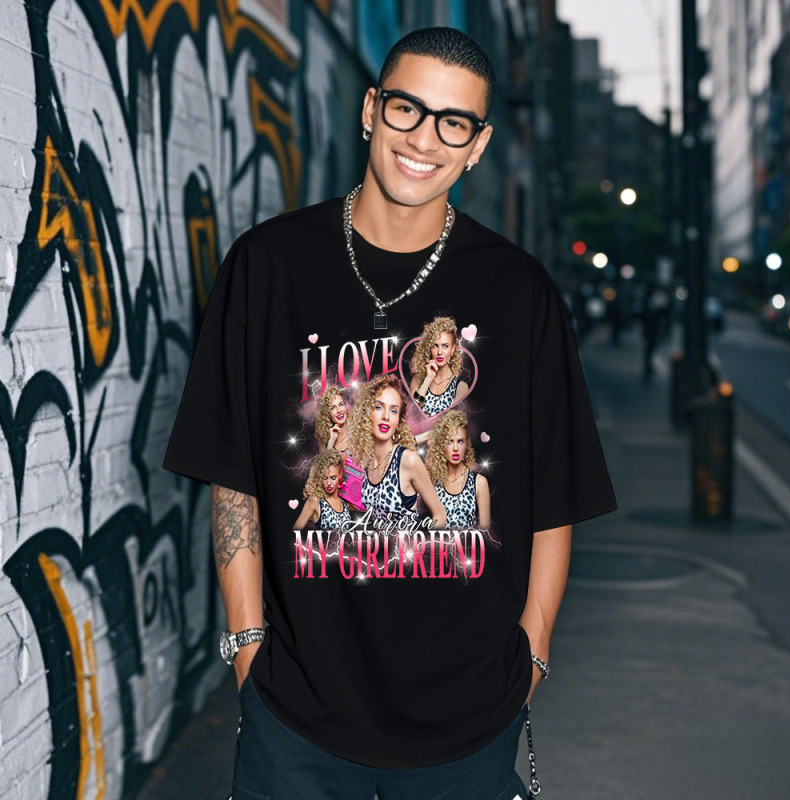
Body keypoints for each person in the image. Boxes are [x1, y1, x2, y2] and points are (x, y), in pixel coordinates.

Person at [163, 26, 616, 799]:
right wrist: (247, 646)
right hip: (295, 715)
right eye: (408, 109)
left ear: (478, 145)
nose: (425, 139)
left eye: (454, 122)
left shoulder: (519, 291)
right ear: (372, 109)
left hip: (469, 718)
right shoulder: (268, 265)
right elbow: (233, 472)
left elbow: (554, 495)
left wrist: (533, 653)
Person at [350, 373, 446, 526]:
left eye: (393, 411)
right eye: (379, 407)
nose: (386, 417)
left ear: (398, 421)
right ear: (366, 413)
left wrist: (425, 540)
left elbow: (440, 514)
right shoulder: (367, 462)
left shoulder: (408, 460)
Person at [424, 408, 490, 529]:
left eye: (460, 441)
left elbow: (486, 532)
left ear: (466, 443)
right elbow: (403, 445)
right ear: (441, 444)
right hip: (436, 541)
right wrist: (433, 434)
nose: (455, 448)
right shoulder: (433, 480)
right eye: (449, 441)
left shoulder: (479, 483)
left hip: (467, 541)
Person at [409, 315, 470, 416]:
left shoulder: (461, 387)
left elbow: (451, 422)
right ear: (429, 348)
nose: (439, 352)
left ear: (453, 348)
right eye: (435, 346)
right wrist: (428, 379)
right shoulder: (418, 378)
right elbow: (412, 412)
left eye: (445, 346)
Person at [293, 449, 352, 530]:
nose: (329, 483)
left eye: (333, 478)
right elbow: (295, 531)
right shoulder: (315, 501)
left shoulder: (344, 503)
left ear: (340, 475)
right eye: (324, 478)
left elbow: (367, 508)